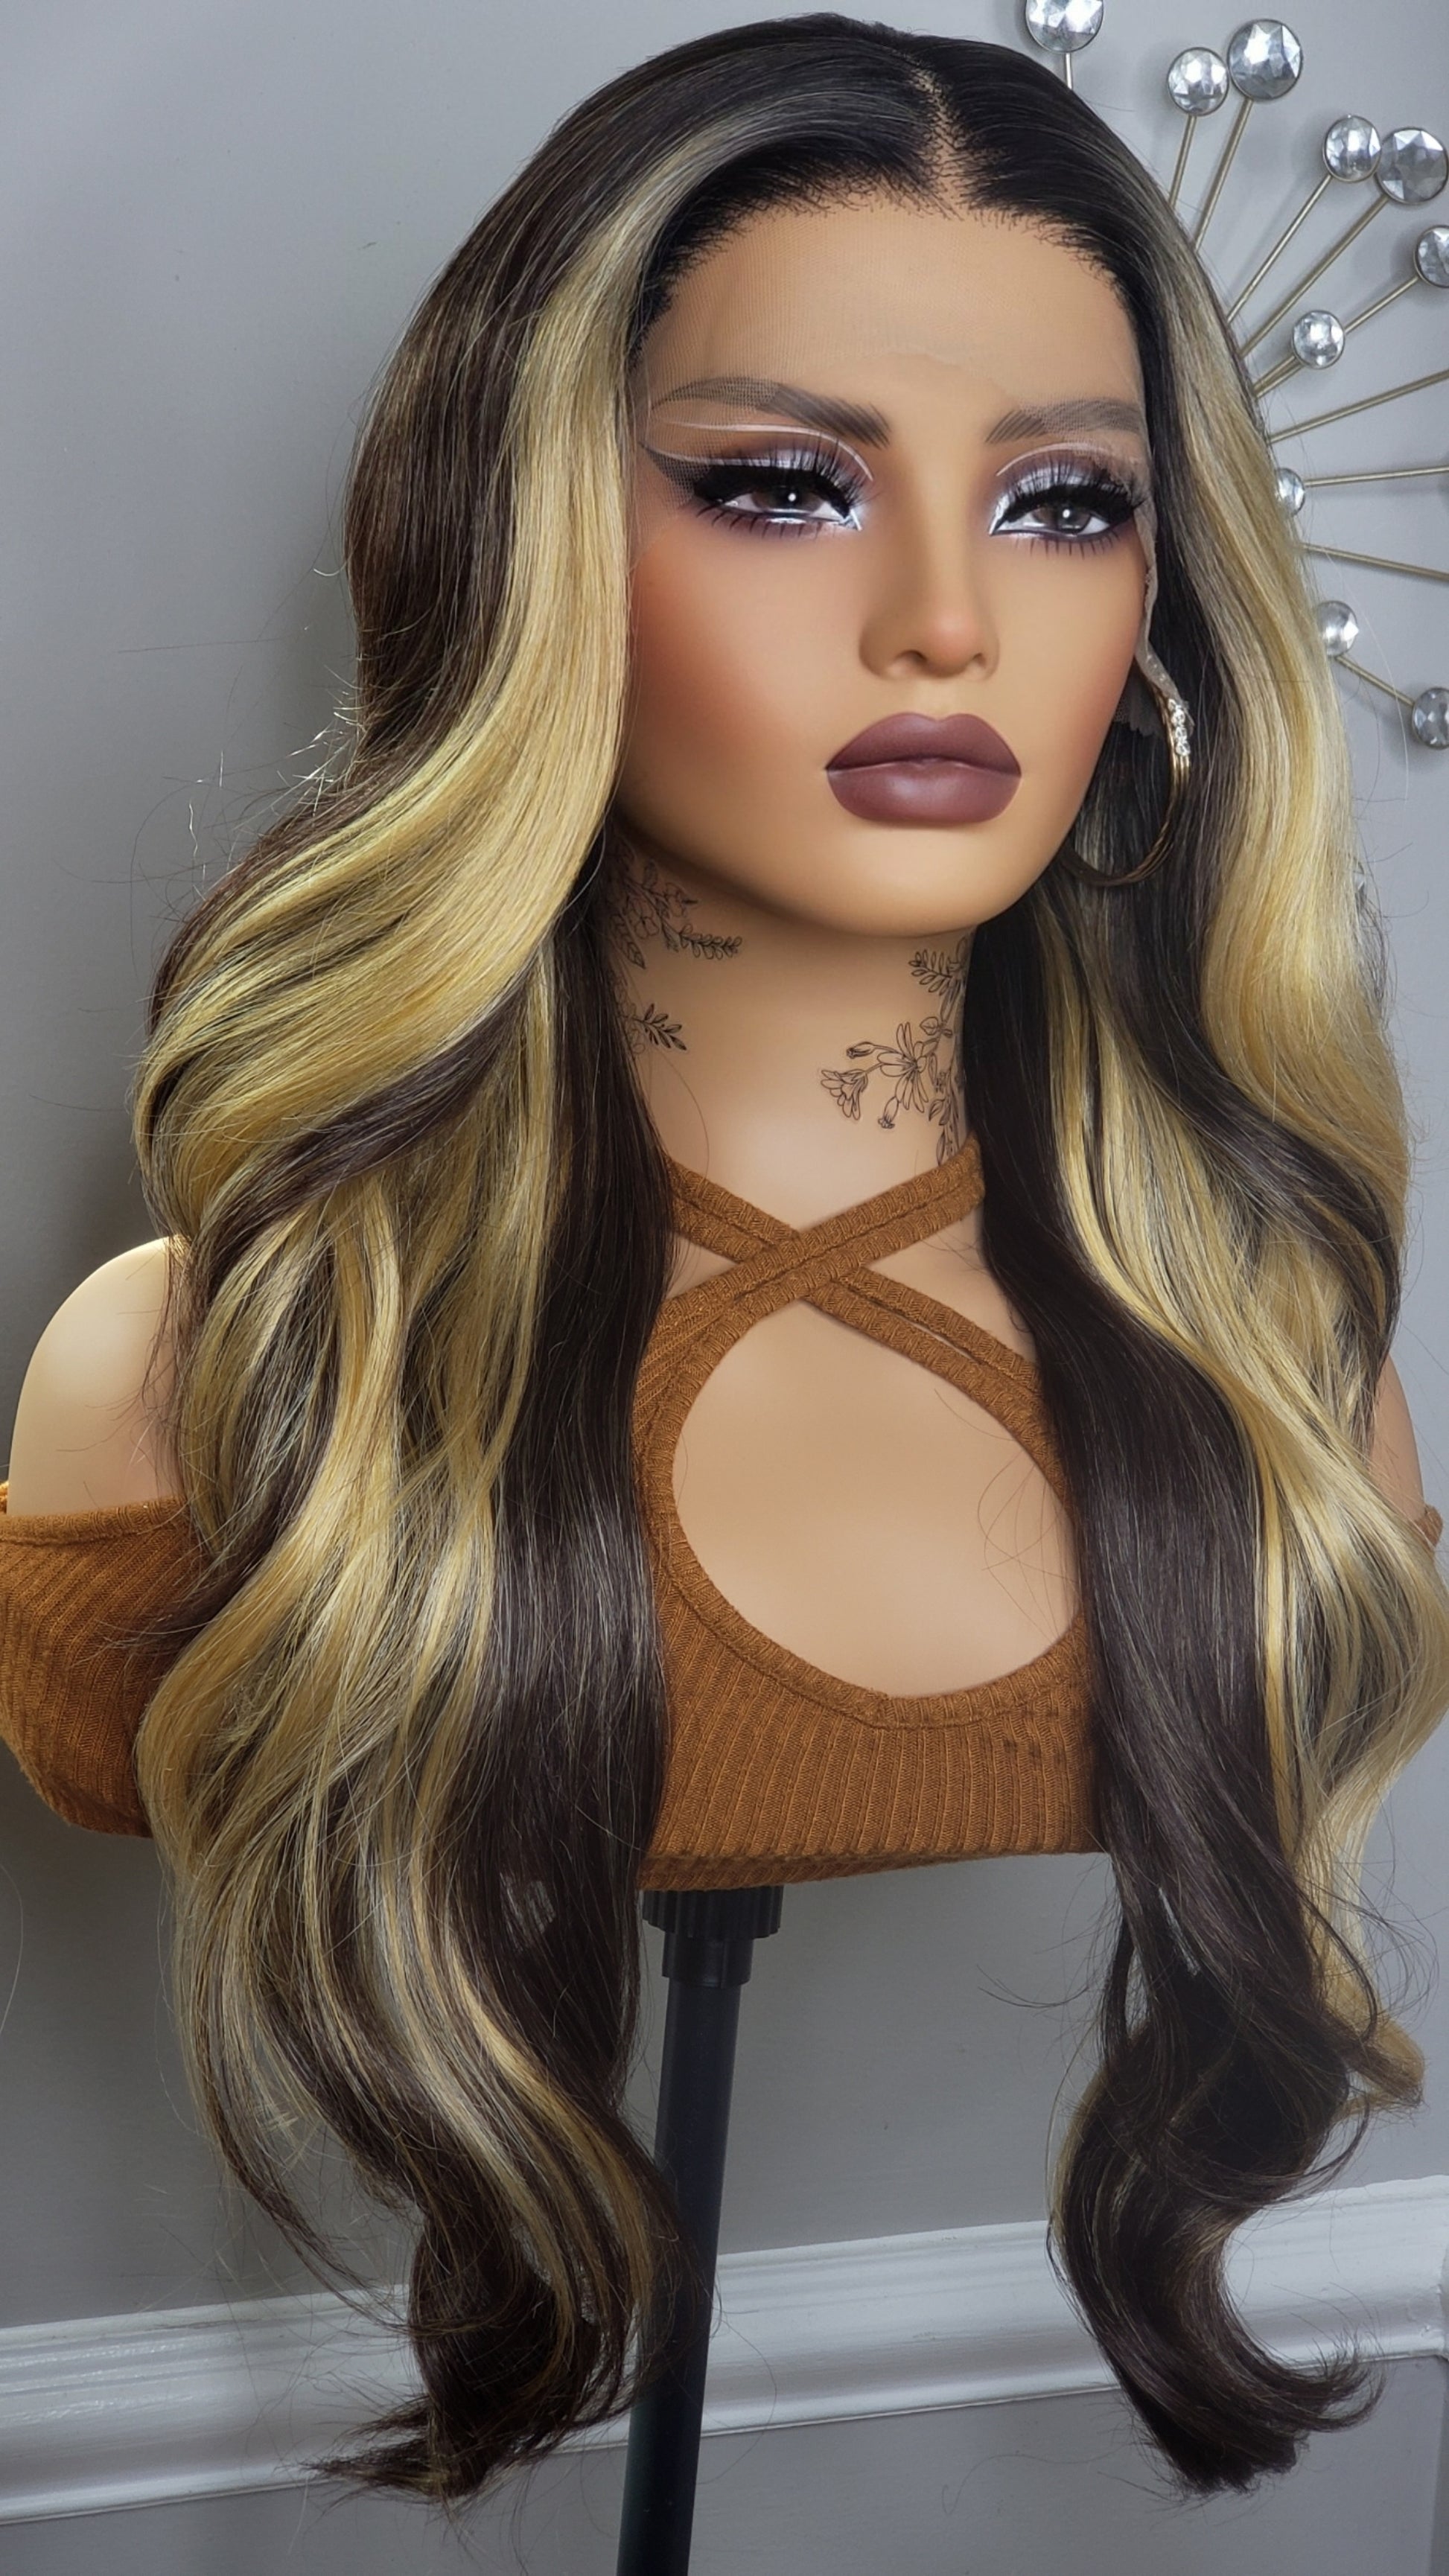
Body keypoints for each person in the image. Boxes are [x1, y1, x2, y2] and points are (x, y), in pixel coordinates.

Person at [3, 13, 1447, 2506]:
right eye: (782, 485)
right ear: (528, 537)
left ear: (1163, 600)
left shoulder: (1275, 1366)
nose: (942, 623)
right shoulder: (209, 1373)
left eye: (1063, 503)